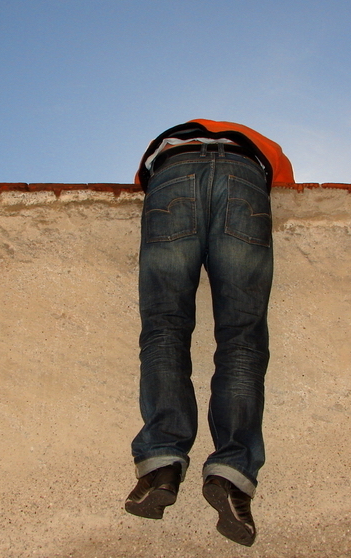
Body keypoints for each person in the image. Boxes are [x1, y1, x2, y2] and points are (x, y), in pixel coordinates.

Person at [124, 119, 294, 546]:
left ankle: (161, 463)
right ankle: (232, 475)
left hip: (171, 176)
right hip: (246, 179)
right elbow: (288, 186)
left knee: (164, 329)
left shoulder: (166, 140)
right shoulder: (263, 143)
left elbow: (140, 181)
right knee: (242, 339)